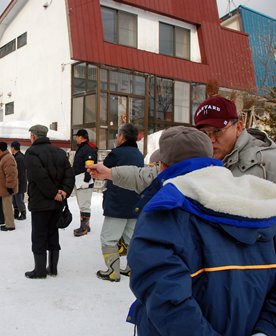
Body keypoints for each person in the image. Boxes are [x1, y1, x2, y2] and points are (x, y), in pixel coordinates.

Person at [126, 126, 276, 335]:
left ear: (163, 166)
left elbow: (166, 298)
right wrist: (266, 329)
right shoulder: (259, 202)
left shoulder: (165, 209)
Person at [88, 95, 276, 191]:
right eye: (204, 133)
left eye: (217, 131)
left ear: (239, 126)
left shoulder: (267, 162)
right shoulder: (198, 157)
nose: (211, 139)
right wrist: (110, 173)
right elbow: (151, 176)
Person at [24, 124, 75, 279]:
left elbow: (39, 177)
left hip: (41, 202)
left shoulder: (31, 153)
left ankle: (39, 271)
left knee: (39, 235)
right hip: (57, 203)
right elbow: (69, 174)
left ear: (33, 136)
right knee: (53, 233)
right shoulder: (60, 152)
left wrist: (53, 193)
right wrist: (63, 191)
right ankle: (52, 269)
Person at [97, 123, 144, 282]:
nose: (116, 138)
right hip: (135, 203)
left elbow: (103, 171)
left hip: (117, 202)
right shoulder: (139, 154)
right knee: (131, 238)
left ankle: (112, 271)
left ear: (122, 137)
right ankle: (132, 269)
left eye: (117, 135)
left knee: (108, 238)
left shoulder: (116, 154)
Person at [72, 129, 98, 237]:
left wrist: (86, 180)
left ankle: (84, 228)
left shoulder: (88, 149)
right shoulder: (82, 148)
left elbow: (90, 166)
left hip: (84, 181)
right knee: (82, 204)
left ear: (82, 137)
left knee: (84, 205)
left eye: (77, 137)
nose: (76, 139)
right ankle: (85, 226)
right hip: (80, 180)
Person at [0, 141, 18, 231]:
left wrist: (9, 186)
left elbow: (11, 174)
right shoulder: (5, 157)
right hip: (5, 187)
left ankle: (10, 225)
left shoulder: (7, 158)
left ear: (0, 149)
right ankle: (8, 223)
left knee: (7, 206)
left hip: (7, 188)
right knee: (6, 206)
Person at [10, 141, 27, 220]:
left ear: (13, 148)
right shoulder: (18, 156)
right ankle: (16, 213)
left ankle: (23, 213)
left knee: (19, 199)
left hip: (19, 182)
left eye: (11, 147)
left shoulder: (19, 158)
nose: (10, 149)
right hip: (18, 182)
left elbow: (19, 172)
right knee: (15, 199)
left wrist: (16, 182)